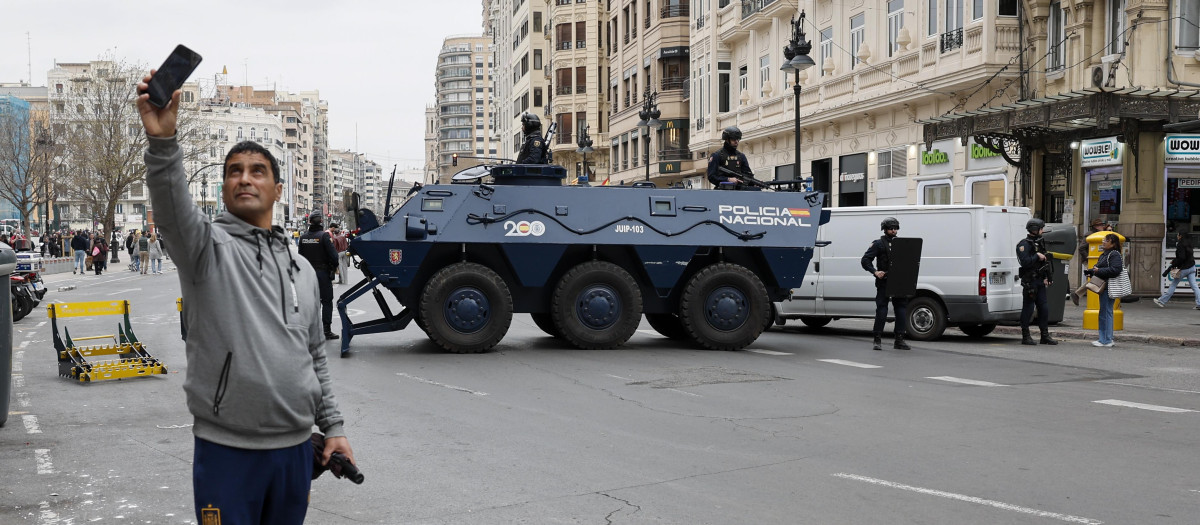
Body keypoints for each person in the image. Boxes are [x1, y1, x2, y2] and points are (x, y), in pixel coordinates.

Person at [137, 72, 353, 525]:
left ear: (278, 189)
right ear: (223, 189)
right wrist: (163, 142)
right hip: (226, 451)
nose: (244, 179)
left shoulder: (301, 268)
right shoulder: (204, 250)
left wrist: (332, 428)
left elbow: (315, 356)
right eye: (234, 172)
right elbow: (173, 207)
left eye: (258, 171)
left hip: (295, 452)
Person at [861, 217, 911, 350]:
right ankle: (877, 339)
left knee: (901, 309)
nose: (894, 230)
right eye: (891, 228)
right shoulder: (878, 244)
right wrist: (875, 272)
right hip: (884, 281)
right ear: (885, 229)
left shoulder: (902, 243)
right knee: (882, 310)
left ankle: (899, 339)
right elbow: (865, 260)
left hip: (899, 281)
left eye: (896, 228)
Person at [299, 214, 341, 340]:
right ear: (321, 221)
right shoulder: (324, 236)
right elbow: (334, 256)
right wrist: (333, 267)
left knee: (311, 302)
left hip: (307, 274)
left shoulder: (303, 237)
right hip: (322, 273)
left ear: (309, 221)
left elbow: (300, 257)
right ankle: (326, 330)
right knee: (327, 301)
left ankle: (310, 330)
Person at [1017, 218, 1057, 346]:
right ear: (1036, 229)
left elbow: (1044, 261)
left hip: (1040, 281)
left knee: (1044, 308)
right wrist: (1036, 256)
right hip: (1030, 282)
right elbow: (1025, 262)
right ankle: (1025, 336)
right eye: (1041, 229)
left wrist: (1047, 277)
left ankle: (1044, 335)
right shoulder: (1024, 245)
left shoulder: (1040, 242)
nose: (1043, 231)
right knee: (1028, 309)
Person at [1084, 233, 1123, 347]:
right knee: (1104, 312)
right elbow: (1100, 268)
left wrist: (1098, 271)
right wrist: (1091, 271)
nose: (1103, 242)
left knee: (1106, 313)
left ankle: (1106, 340)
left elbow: (1115, 270)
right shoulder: (1104, 254)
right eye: (1103, 240)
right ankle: (1104, 338)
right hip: (1103, 286)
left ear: (1113, 244)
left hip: (1108, 287)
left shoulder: (1114, 254)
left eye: (1106, 240)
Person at [1154, 228, 1199, 310]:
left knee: (1174, 284)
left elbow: (1181, 257)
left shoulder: (1180, 245)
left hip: (1183, 269)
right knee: (1195, 286)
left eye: (1178, 235)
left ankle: (1161, 301)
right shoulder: (1189, 243)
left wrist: (1174, 262)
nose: (1177, 236)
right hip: (1192, 267)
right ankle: (1199, 303)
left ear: (1180, 236)